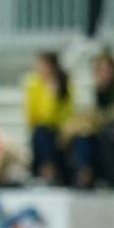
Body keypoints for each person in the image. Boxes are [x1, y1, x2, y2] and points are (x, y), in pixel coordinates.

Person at [67, 48, 114, 188]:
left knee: (111, 135)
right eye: (98, 70)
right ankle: (84, 175)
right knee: (82, 137)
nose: (101, 73)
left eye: (104, 69)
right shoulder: (98, 90)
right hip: (103, 130)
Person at [24, 51, 74, 184]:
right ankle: (47, 172)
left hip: (62, 130)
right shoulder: (33, 84)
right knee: (41, 132)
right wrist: (49, 95)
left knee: (44, 133)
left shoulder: (65, 84)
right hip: (43, 130)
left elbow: (67, 115)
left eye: (40, 65)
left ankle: (48, 173)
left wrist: (53, 94)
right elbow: (32, 116)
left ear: (51, 67)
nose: (38, 69)